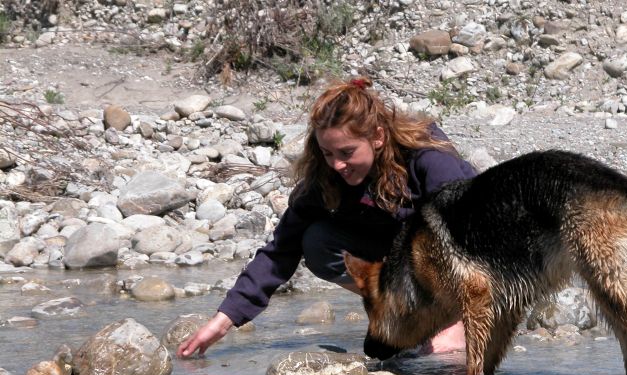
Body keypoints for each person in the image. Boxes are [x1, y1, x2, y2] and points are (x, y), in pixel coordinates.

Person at [177, 77, 477, 359]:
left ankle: (454, 320)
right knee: (317, 241)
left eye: (347, 152)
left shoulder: (427, 156)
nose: (337, 164)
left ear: (378, 137)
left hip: (470, 249)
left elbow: (460, 233)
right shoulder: (324, 180)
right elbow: (280, 252)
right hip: (403, 253)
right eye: (328, 153)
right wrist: (224, 319)